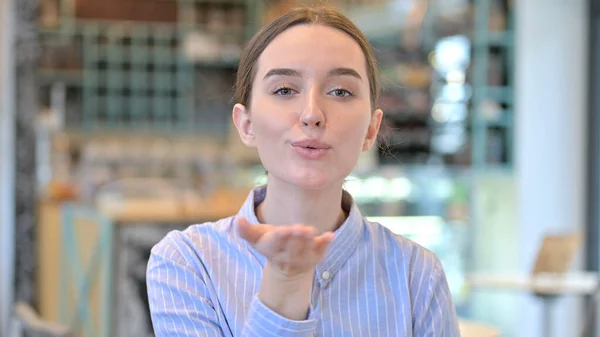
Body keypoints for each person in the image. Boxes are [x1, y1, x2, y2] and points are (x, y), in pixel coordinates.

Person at [147, 6, 460, 337]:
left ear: (371, 128)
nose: (312, 114)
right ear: (246, 124)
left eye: (340, 91)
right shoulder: (188, 263)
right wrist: (285, 285)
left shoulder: (417, 275)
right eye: (284, 90)